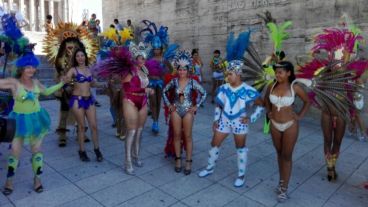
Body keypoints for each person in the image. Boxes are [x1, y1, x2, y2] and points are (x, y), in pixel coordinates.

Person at [0, 51, 66, 195]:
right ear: (21, 68)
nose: (31, 70)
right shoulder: (14, 82)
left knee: (37, 152)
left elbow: (47, 92)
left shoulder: (35, 82)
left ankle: (37, 179)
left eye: (33, 67)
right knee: (15, 153)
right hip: (18, 121)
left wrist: (62, 83)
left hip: (36, 120)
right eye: (28, 67)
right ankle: (9, 181)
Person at [264, 61, 310, 201]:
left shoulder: (294, 87)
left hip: (290, 125)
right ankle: (281, 181)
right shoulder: (271, 86)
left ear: (288, 73)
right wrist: (269, 112)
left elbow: (307, 102)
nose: (277, 75)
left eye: (280, 72)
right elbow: (266, 99)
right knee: (279, 153)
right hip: (274, 125)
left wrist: (300, 116)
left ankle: (284, 188)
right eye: (276, 72)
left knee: (287, 156)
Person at [163, 50, 207, 175]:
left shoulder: (193, 82)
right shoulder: (173, 81)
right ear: (177, 69)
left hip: (188, 111)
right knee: (177, 135)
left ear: (188, 70)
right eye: (180, 69)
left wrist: (196, 106)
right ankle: (178, 159)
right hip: (176, 110)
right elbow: (164, 92)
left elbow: (204, 93)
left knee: (188, 136)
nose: (182, 72)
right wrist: (169, 104)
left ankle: (188, 161)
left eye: (184, 69)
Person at [65, 49, 103, 162]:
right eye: (78, 56)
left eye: (82, 55)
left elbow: (93, 83)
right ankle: (82, 151)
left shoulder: (89, 69)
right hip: (77, 100)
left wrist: (105, 84)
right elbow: (65, 80)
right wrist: (65, 81)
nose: (80, 58)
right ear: (75, 58)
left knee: (94, 126)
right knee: (81, 127)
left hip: (89, 100)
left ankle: (97, 149)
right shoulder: (73, 70)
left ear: (85, 57)